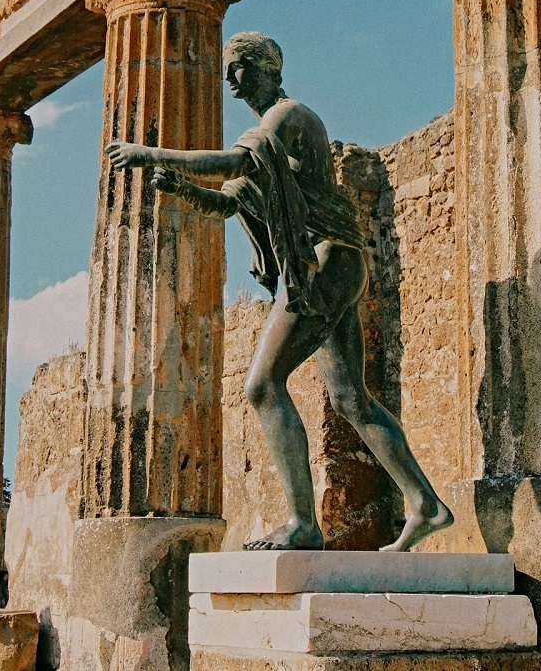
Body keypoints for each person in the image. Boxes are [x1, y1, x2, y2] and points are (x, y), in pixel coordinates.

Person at [106, 31, 453, 551]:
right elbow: (229, 202)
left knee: (262, 385)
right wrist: (181, 188)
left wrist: (151, 152)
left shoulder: (289, 117)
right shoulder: (266, 136)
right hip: (332, 265)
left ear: (267, 67)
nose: (229, 76)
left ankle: (303, 525)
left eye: (238, 64)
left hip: (325, 263)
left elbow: (237, 165)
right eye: (227, 67)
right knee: (350, 398)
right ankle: (425, 504)